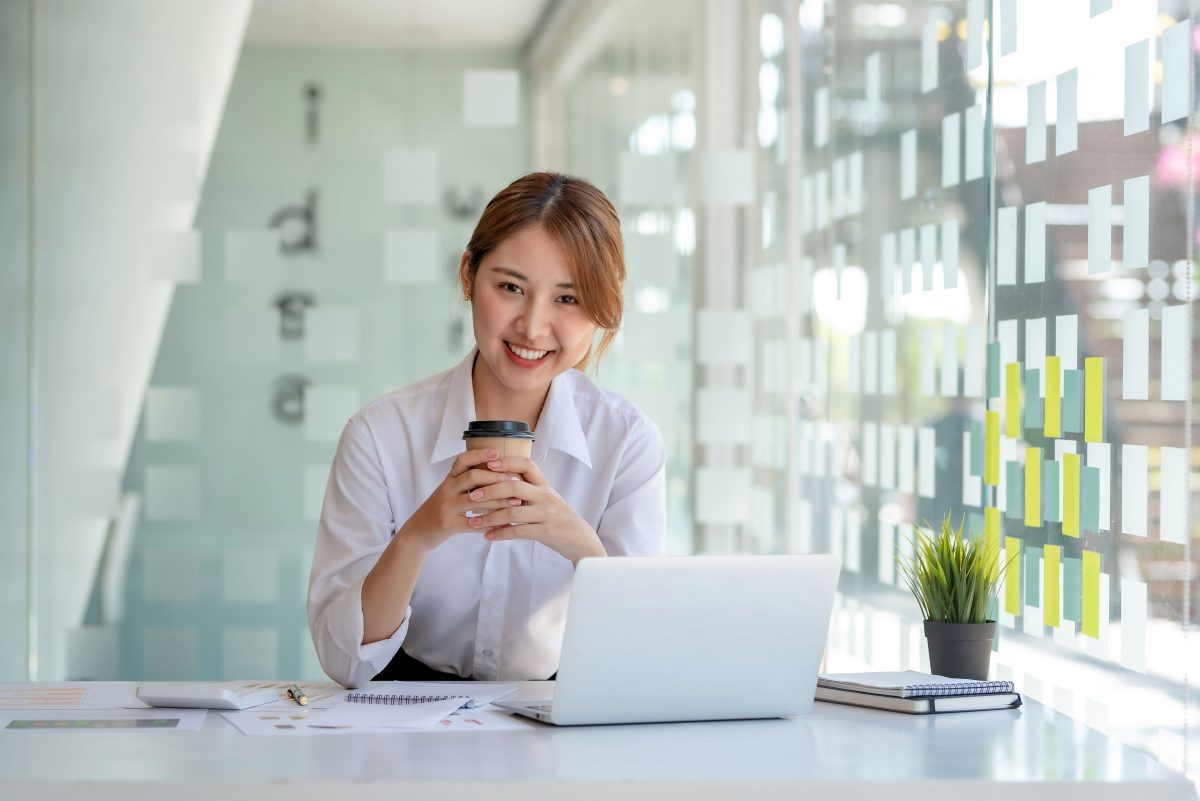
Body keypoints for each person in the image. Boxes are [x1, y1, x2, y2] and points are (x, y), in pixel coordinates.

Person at [308, 172, 667, 688]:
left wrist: (579, 544)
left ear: (601, 311)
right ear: (467, 277)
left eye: (568, 298)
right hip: (403, 720)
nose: (534, 326)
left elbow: (642, 654)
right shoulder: (380, 434)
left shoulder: (626, 443)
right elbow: (343, 662)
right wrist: (418, 535)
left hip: (561, 718)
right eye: (511, 288)